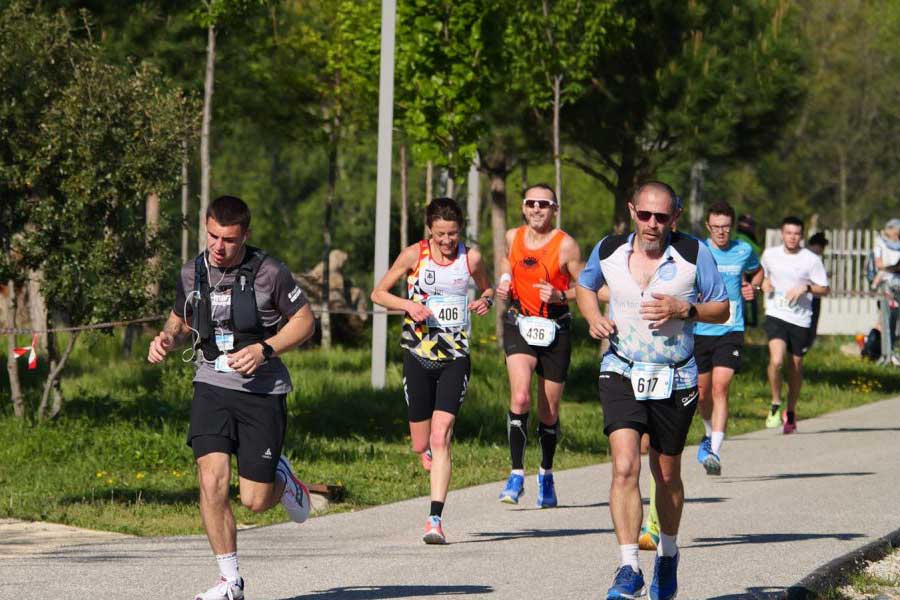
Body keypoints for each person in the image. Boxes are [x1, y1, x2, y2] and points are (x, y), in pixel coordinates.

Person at [148, 195, 315, 600]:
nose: (219, 247)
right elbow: (181, 316)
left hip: (262, 390)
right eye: (212, 237)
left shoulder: (270, 272)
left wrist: (265, 349)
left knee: (255, 501)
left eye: (229, 240)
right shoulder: (193, 272)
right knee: (211, 478)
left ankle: (284, 480)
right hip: (211, 383)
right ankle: (230, 581)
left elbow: (306, 322)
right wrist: (167, 338)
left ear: (246, 236)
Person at [576, 182, 728, 600]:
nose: (652, 224)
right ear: (632, 211)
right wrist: (592, 317)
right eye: (645, 215)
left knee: (666, 474)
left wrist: (686, 309)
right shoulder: (608, 249)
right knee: (625, 466)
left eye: (662, 217)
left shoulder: (695, 254)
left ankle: (668, 554)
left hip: (675, 376)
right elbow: (584, 286)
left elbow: (723, 307)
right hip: (621, 369)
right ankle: (628, 567)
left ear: (675, 218)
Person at [371, 197, 493, 544]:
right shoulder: (414, 255)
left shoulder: (471, 257)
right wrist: (409, 304)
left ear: (460, 230)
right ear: (429, 231)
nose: (446, 241)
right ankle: (426, 451)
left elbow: (486, 288)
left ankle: (434, 519)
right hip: (418, 354)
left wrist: (485, 301)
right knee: (420, 442)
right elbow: (378, 293)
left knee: (442, 436)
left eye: (452, 233)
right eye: (440, 234)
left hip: (455, 356)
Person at [495, 183, 582, 508]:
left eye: (543, 205)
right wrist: (505, 281)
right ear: (523, 207)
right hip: (519, 322)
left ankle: (546, 472)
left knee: (548, 410)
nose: (536, 209)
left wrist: (562, 295)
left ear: (554, 209)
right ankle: (516, 473)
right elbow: (507, 263)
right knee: (519, 397)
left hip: (555, 328)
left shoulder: (566, 246)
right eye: (531, 203)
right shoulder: (512, 237)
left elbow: (587, 286)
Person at [693, 201, 762, 477]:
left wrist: (752, 286)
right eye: (716, 227)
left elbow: (758, 271)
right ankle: (709, 433)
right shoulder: (698, 250)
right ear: (708, 227)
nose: (721, 232)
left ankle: (715, 451)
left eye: (726, 227)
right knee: (702, 393)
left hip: (730, 330)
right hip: (699, 330)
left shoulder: (743, 250)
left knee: (721, 387)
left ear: (731, 227)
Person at [760, 216, 830, 434]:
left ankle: (790, 410)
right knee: (777, 360)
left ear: (801, 235)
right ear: (782, 233)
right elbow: (759, 277)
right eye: (788, 233)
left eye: (796, 234)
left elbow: (824, 288)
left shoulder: (810, 259)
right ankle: (774, 402)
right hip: (776, 314)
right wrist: (764, 283)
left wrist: (806, 288)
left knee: (796, 367)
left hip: (800, 319)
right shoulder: (770, 255)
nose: (792, 237)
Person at [871, 219, 900, 352]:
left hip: (897, 283)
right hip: (886, 284)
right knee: (885, 320)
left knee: (893, 322)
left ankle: (889, 351)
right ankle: (872, 350)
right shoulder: (880, 243)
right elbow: (879, 264)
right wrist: (893, 268)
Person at [735, 214, 762, 329]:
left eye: (751, 223)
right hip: (744, 281)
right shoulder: (740, 239)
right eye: (746, 222)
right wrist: (743, 280)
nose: (749, 226)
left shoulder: (750, 238)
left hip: (751, 280)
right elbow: (739, 262)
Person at [805, 232, 829, 347]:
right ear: (817, 246)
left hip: (815, 297)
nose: (822, 251)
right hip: (810, 297)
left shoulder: (814, 259)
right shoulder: (807, 258)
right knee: (809, 327)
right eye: (822, 248)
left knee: (811, 327)